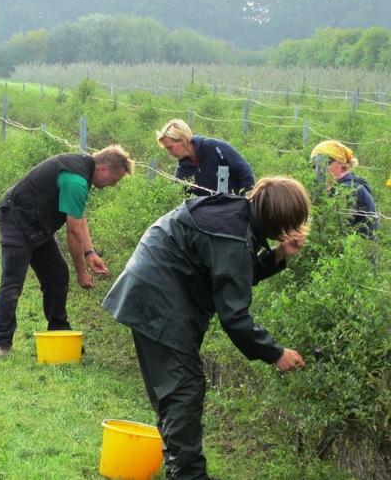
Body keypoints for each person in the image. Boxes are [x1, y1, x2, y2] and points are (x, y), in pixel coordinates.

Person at [102, 176, 310, 480]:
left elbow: (235, 274)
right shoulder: (233, 235)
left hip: (150, 288)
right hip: (160, 296)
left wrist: (277, 254)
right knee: (184, 389)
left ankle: (183, 468)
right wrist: (275, 353)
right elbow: (235, 316)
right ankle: (187, 475)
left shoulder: (236, 216)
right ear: (280, 220)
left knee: (175, 391)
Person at [0, 145, 134, 357]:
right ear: (102, 169)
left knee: (57, 275)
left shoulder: (82, 172)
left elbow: (79, 217)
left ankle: (59, 332)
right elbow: (73, 231)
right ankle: (0, 343)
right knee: (12, 281)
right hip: (16, 220)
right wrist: (82, 272)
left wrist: (89, 252)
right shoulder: (75, 179)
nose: (112, 185)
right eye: (114, 180)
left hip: (38, 227)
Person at [157, 119, 255, 196]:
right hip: (212, 216)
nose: (169, 153)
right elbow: (178, 197)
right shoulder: (182, 168)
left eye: (170, 148)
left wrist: (244, 202)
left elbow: (245, 172)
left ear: (182, 141)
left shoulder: (213, 146)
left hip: (238, 207)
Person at [309, 140, 379, 239]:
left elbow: (339, 231)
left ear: (341, 161)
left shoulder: (347, 189)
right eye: (314, 166)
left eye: (326, 163)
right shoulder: (338, 185)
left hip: (359, 251)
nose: (319, 169)